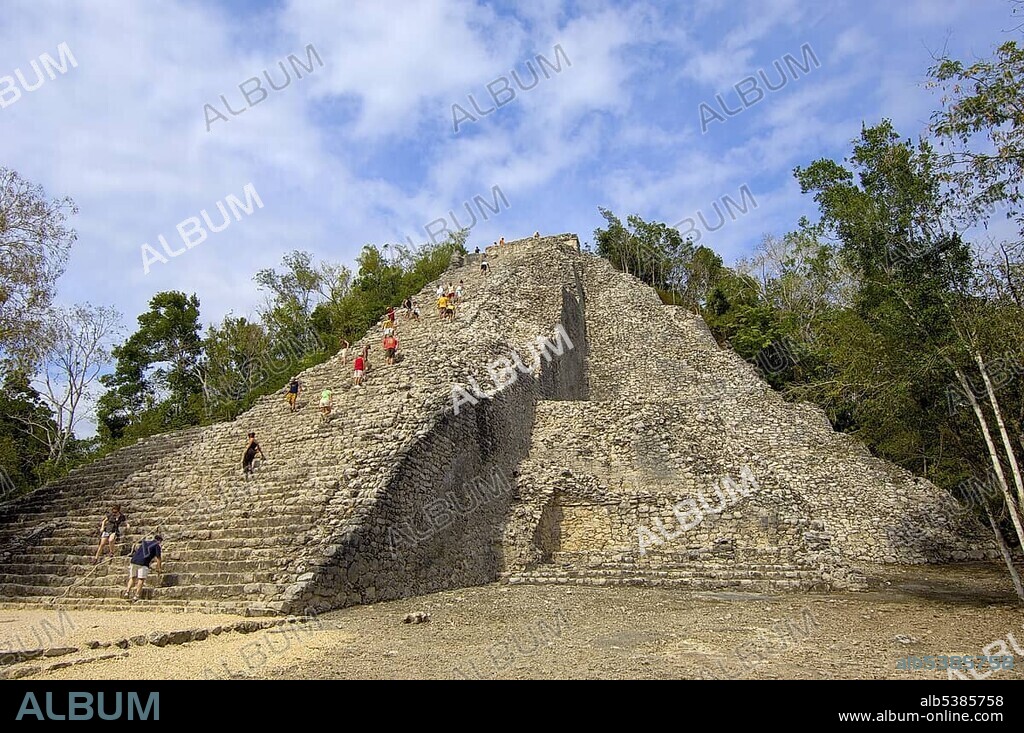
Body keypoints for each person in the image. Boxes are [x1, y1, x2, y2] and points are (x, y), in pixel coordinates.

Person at [124, 534, 162, 602]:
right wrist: (159, 568)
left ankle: (127, 592)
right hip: (143, 562)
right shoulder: (157, 545)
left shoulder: (145, 543)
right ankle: (136, 595)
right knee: (141, 579)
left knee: (132, 577)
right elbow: (158, 558)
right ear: (159, 541)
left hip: (134, 560)